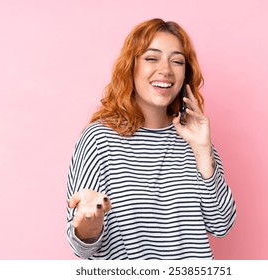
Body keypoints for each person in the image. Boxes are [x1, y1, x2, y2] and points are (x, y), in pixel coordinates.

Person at [66, 18, 236, 260]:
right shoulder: (99, 140)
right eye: (151, 58)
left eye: (177, 61)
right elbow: (82, 248)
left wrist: (202, 149)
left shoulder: (195, 139)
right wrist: (89, 224)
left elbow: (221, 224)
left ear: (185, 75)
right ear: (131, 66)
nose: (165, 69)